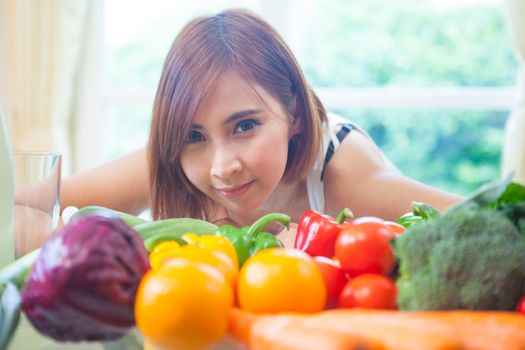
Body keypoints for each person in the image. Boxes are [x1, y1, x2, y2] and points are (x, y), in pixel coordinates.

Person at [61, 9, 462, 247]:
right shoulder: (170, 162)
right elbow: (24, 207)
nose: (222, 166)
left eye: (245, 125)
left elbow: (499, 219)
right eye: (194, 136)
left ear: (295, 116)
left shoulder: (346, 177)